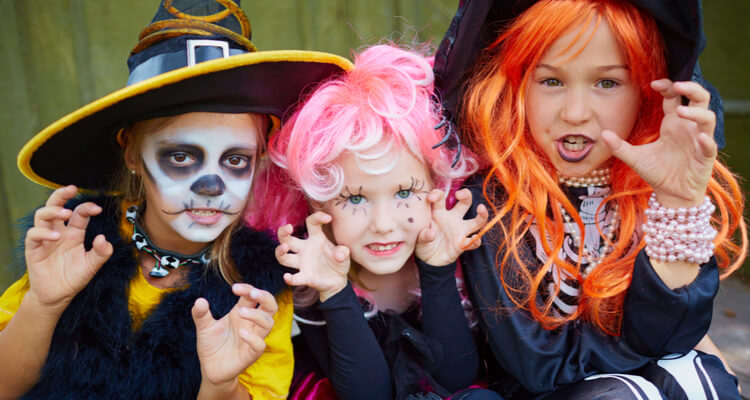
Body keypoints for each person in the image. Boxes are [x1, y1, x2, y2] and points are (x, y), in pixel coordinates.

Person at [0, 1, 351, 399]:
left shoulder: (257, 290)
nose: (211, 187)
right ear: (131, 152)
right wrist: (43, 304)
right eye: (181, 157)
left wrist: (221, 383)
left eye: (235, 160)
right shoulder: (73, 242)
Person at [431, 0, 747, 398]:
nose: (576, 112)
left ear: (648, 91)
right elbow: (539, 366)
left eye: (607, 83)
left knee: (702, 378)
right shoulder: (489, 202)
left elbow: (677, 340)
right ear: (517, 86)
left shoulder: (649, 189)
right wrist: (647, 357)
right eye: (551, 81)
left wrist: (677, 202)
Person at [249, 44, 499, 400]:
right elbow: (368, 394)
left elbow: (457, 380)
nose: (383, 224)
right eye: (354, 198)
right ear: (319, 205)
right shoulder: (316, 274)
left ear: (436, 185)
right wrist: (334, 292)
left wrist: (437, 271)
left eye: (404, 193)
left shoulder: (459, 254)